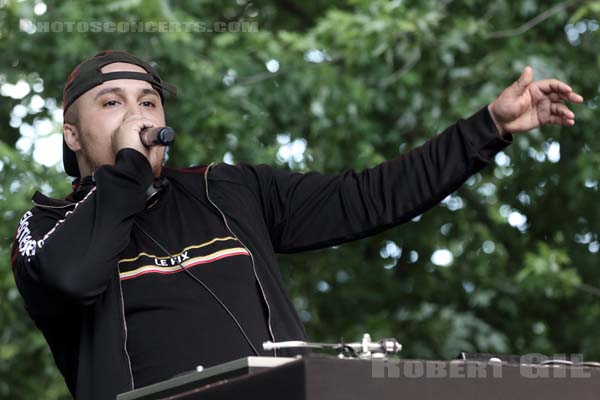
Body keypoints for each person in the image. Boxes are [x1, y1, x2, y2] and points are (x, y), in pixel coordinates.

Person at [10, 50, 583, 399]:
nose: (138, 113)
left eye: (149, 102)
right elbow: (71, 278)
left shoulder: (228, 189)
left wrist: (489, 127)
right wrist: (130, 169)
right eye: (111, 103)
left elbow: (370, 197)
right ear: (72, 134)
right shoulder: (47, 226)